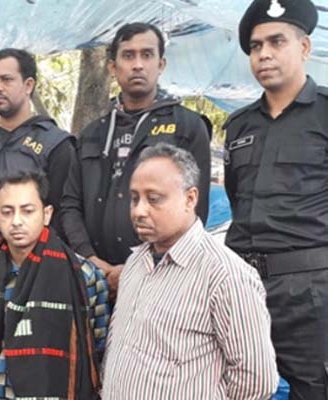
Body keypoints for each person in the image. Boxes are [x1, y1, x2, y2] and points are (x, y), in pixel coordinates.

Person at [102, 143, 277, 399]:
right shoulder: (135, 264)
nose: (139, 211)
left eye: (153, 199)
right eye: (135, 198)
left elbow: (256, 381)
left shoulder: (225, 275)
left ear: (190, 198)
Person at [60, 22, 211, 300]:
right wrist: (90, 259)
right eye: (128, 56)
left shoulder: (187, 127)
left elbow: (195, 210)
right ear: (112, 67)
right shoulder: (91, 134)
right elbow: (70, 204)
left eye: (147, 55)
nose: (138, 65)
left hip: (160, 280)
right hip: (93, 279)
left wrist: (138, 267)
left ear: (161, 64)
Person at [224, 0, 327, 397]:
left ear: (304, 47)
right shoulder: (239, 125)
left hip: (311, 291)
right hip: (242, 287)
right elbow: (236, 197)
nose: (264, 54)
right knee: (239, 386)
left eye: (276, 42)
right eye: (255, 46)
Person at [0, 171, 108, 400]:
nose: (17, 221)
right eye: (7, 212)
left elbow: (97, 346)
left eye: (27, 211)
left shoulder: (83, 274)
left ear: (46, 214)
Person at [0, 48, 76, 252]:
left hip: (28, 263)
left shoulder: (54, 144)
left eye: (6, 80)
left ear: (28, 85)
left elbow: (63, 218)